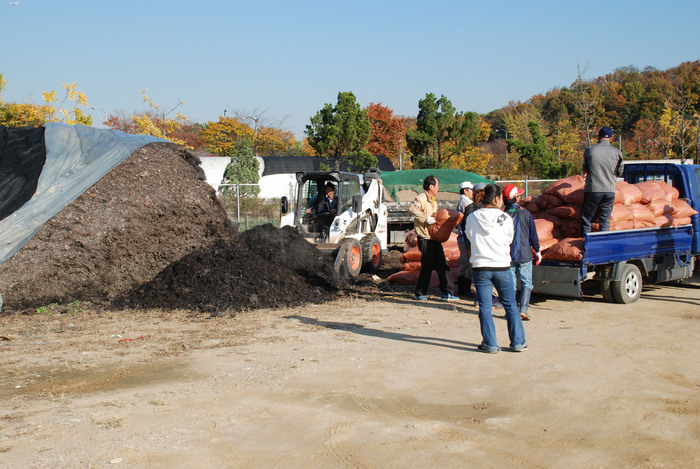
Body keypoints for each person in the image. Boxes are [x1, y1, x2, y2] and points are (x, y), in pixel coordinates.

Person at [465, 183, 527, 353]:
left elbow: (470, 236)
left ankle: (490, 344)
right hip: (502, 266)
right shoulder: (505, 218)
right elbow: (509, 239)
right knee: (510, 305)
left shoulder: (472, 217)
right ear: (497, 198)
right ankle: (518, 342)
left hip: (480, 267)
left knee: (485, 306)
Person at [408, 175, 458, 301]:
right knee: (427, 266)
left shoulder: (433, 200)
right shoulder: (422, 198)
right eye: (437, 185)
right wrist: (426, 219)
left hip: (433, 238)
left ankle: (447, 292)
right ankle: (420, 293)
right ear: (431, 186)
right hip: (425, 238)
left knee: (442, 264)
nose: (438, 188)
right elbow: (412, 209)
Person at [502, 183, 541, 321]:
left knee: (510, 284)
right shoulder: (526, 214)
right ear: (516, 198)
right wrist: (537, 250)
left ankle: (510, 311)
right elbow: (533, 235)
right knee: (526, 283)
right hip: (524, 254)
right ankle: (523, 310)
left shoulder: (502, 215)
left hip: (508, 255)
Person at [581, 126, 624, 235]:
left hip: (593, 189)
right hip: (609, 190)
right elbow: (620, 172)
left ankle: (586, 242)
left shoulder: (590, 150)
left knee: (587, 218)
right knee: (604, 220)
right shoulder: (617, 152)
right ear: (611, 138)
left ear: (598, 137)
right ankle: (603, 242)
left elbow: (585, 169)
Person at [456, 181, 474, 298]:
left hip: (465, 237)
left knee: (466, 263)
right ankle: (463, 289)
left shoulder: (466, 202)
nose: (473, 192)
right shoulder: (465, 203)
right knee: (466, 263)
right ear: (466, 190)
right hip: (464, 238)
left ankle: (463, 289)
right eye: (471, 190)